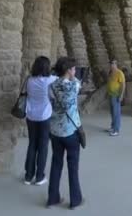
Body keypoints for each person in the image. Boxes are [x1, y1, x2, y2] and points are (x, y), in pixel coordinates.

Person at [47, 57, 84, 209]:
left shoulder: (52, 85)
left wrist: (66, 73)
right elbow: (77, 83)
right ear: (68, 70)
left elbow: (51, 101)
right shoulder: (74, 84)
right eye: (73, 68)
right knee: (72, 167)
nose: (75, 71)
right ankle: (75, 200)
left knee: (56, 164)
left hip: (55, 130)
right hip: (71, 131)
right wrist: (72, 75)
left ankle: (52, 198)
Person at [23, 56, 58, 186]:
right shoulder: (50, 80)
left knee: (32, 144)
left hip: (31, 116)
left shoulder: (29, 80)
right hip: (44, 117)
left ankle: (28, 176)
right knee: (43, 146)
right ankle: (39, 176)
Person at [106, 60, 125, 136]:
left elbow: (123, 85)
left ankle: (116, 130)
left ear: (116, 64)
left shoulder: (119, 73)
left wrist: (121, 95)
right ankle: (113, 126)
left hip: (116, 95)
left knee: (116, 113)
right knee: (112, 112)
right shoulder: (110, 72)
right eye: (110, 63)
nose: (111, 65)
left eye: (113, 64)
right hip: (110, 94)